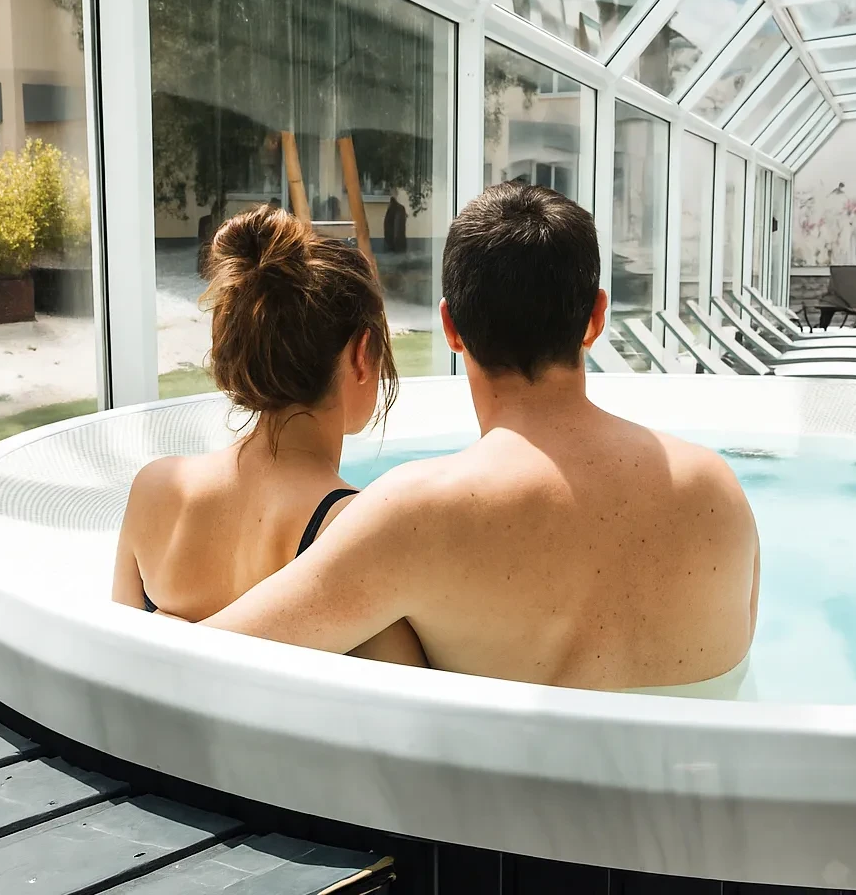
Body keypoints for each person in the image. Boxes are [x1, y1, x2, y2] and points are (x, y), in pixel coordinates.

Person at [204, 184, 760, 696]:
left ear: (450, 327)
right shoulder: (717, 493)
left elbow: (205, 657)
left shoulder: (416, 514)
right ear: (596, 318)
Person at [113, 205, 425, 666]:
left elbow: (121, 662)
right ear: (362, 354)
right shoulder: (353, 531)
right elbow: (410, 693)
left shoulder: (155, 488)